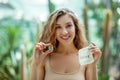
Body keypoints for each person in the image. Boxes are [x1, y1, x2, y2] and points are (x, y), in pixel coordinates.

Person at [30, 8, 102, 80]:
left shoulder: (86, 57)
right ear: (52, 30)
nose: (64, 32)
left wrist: (93, 65)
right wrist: (36, 64)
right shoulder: (44, 58)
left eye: (69, 25)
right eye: (58, 27)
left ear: (75, 28)